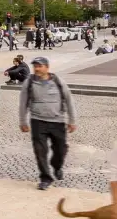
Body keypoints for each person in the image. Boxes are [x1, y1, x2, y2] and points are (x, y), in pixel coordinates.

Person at [18, 56, 77, 190]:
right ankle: (45, 178)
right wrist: (23, 121)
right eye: (35, 66)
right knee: (40, 151)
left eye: (40, 66)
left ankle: (57, 166)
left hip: (57, 121)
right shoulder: (30, 82)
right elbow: (23, 102)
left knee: (60, 150)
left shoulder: (58, 81)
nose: (37, 69)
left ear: (47, 67)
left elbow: (69, 100)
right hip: (38, 121)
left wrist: (72, 120)